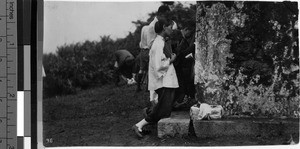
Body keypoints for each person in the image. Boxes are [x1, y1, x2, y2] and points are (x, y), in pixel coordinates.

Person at [132, 19, 178, 138]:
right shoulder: (158, 44)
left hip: (166, 80)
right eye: (170, 27)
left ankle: (145, 119)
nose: (172, 30)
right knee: (163, 109)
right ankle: (139, 124)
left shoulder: (161, 42)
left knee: (165, 109)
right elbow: (158, 65)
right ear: (164, 27)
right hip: (163, 81)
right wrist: (171, 60)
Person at [136, 5, 171, 97]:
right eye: (165, 15)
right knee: (154, 76)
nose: (166, 17)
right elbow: (150, 44)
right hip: (153, 53)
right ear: (160, 14)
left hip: (156, 53)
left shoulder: (158, 24)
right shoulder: (152, 26)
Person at [173, 24, 196, 110]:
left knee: (184, 87)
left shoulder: (184, 40)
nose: (189, 34)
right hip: (178, 67)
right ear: (185, 30)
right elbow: (180, 54)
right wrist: (192, 48)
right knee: (181, 88)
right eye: (189, 32)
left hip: (181, 66)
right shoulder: (180, 39)